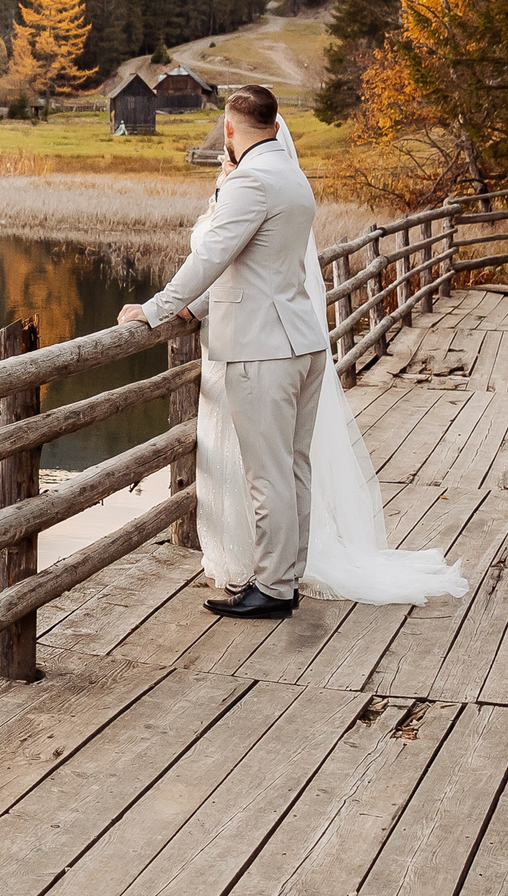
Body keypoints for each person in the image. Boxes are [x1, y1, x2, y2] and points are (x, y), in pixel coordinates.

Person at [119, 85, 467, 615]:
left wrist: (159, 308)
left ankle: (275, 588)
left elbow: (213, 256)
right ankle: (286, 574)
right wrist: (201, 309)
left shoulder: (250, 182)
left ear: (232, 131)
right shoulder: (292, 177)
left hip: (262, 350)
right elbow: (254, 267)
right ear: (276, 125)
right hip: (301, 342)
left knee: (267, 473)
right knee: (293, 467)